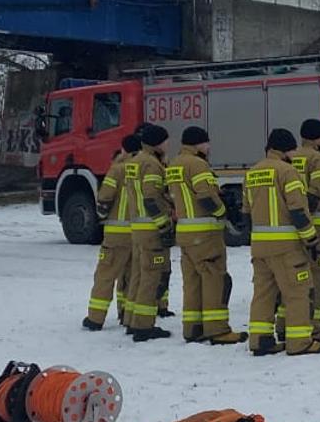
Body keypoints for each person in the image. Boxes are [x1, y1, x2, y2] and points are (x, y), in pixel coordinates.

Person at [243, 129, 320, 356]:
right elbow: (298, 210)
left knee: (263, 294)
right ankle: (299, 342)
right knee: (297, 292)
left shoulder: (252, 173)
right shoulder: (287, 172)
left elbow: (246, 213)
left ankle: (260, 340)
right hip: (287, 248)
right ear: (286, 149)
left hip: (260, 248)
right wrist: (311, 239)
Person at [168, 127, 244, 345]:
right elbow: (205, 196)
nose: (209, 147)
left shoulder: (174, 164)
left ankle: (192, 328)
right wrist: (223, 211)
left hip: (185, 234)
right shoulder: (197, 164)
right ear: (198, 143)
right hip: (205, 235)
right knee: (214, 280)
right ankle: (217, 330)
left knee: (192, 282)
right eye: (207, 143)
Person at [283, 119, 320, 344]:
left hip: (294, 229)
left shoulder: (291, 157)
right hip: (317, 230)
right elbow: (316, 192)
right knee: (318, 278)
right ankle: (314, 326)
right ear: (317, 138)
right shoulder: (318, 159)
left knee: (293, 279)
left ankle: (284, 324)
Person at [83, 134, 141, 330]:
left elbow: (104, 197)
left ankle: (95, 318)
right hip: (140, 232)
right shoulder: (145, 167)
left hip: (117, 233)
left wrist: (101, 216)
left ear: (123, 149)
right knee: (132, 276)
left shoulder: (117, 169)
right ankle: (127, 314)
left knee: (105, 275)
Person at [124, 124, 175, 341]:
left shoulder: (134, 161)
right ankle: (144, 326)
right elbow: (151, 198)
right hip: (151, 229)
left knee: (138, 276)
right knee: (151, 278)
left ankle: (131, 319)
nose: (168, 144)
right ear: (157, 143)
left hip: (137, 227)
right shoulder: (152, 165)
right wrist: (164, 225)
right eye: (165, 141)